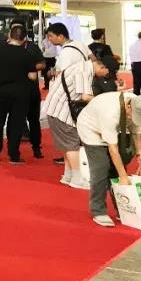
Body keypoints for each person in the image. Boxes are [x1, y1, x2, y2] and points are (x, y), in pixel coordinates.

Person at [76, 91, 141, 227]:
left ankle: (122, 208)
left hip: (112, 129)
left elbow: (136, 132)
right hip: (90, 129)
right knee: (101, 168)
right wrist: (123, 176)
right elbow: (113, 149)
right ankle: (98, 210)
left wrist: (140, 153)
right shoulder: (110, 113)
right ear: (128, 107)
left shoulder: (139, 104)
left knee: (117, 169)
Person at [44, 58, 109, 189]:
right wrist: (103, 101)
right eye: (107, 73)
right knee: (72, 145)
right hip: (61, 112)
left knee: (67, 145)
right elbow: (85, 97)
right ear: (102, 67)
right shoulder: (84, 71)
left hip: (54, 110)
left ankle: (68, 176)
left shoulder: (79, 66)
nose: (105, 76)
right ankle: (77, 178)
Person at [0, 24, 39, 164]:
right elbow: (33, 76)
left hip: (2, 90)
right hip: (21, 92)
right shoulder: (27, 54)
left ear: (10, 35)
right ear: (24, 39)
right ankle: (14, 155)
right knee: (16, 123)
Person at [20, 30, 47, 158]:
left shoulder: (32, 47)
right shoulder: (6, 46)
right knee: (16, 118)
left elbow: (42, 64)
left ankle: (36, 147)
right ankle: (14, 151)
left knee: (34, 120)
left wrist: (29, 67)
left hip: (31, 89)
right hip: (16, 89)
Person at [88, 28, 121, 93]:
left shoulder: (88, 47)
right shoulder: (106, 47)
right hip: (106, 76)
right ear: (102, 36)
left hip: (93, 75)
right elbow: (111, 62)